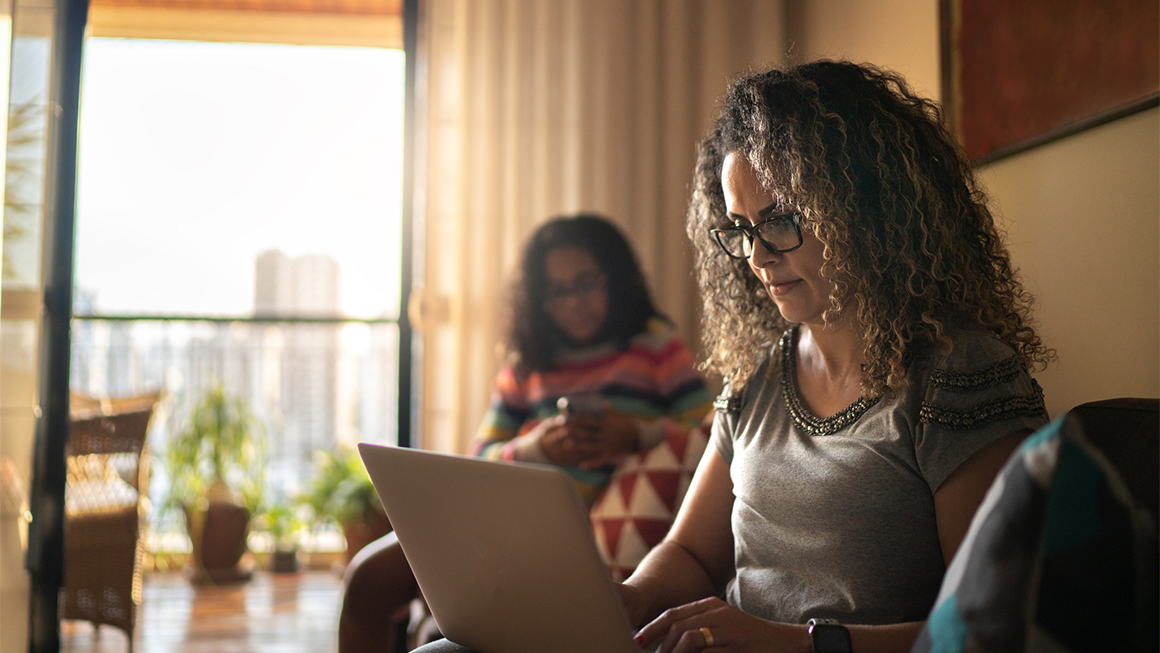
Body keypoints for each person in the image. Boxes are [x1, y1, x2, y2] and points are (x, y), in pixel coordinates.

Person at [414, 60, 1053, 653]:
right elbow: (692, 554)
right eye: (739, 229)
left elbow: (985, 624)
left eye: (779, 220)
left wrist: (798, 644)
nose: (755, 256)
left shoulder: (958, 374)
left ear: (863, 209)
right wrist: (624, 599)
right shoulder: (762, 376)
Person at [339, 214, 713, 653]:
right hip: (505, 526)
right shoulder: (527, 365)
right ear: (538, 299)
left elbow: (710, 432)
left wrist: (635, 435)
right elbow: (479, 457)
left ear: (616, 277)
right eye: (556, 291)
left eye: (586, 282)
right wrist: (537, 449)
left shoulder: (654, 346)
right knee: (368, 576)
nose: (574, 302)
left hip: (570, 542)